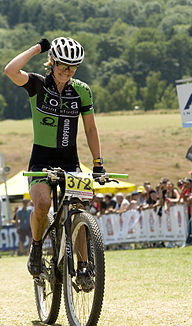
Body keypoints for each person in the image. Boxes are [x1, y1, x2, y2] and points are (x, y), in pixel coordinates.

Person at [5, 37, 105, 278]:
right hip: (41, 158)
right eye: (62, 65)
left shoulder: (81, 91)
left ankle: (82, 267)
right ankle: (37, 246)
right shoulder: (38, 85)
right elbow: (10, 70)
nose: (67, 72)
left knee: (79, 207)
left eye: (73, 67)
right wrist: (38, 48)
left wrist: (98, 163)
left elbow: (91, 129)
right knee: (42, 205)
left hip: (70, 160)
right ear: (52, 62)